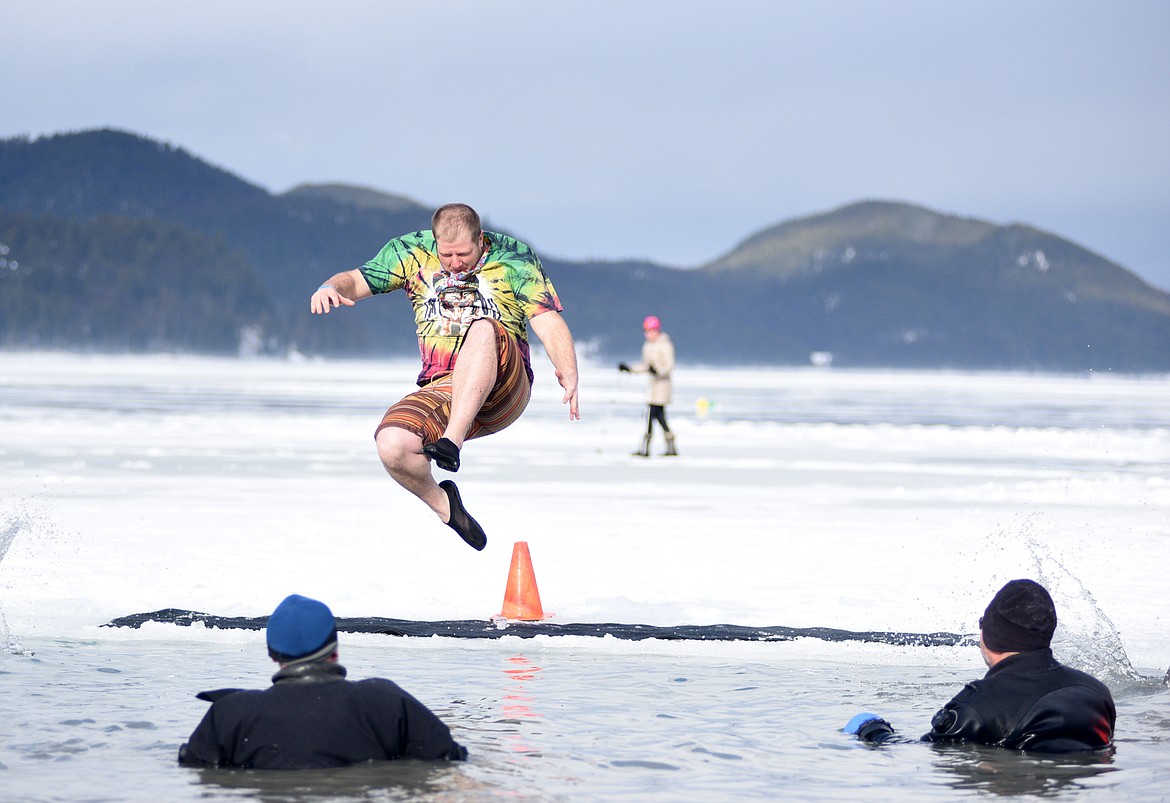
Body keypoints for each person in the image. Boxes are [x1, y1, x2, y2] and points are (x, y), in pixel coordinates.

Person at [310, 204, 580, 551]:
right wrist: (328, 286)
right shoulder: (410, 252)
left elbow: (547, 319)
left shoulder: (514, 258)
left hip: (504, 385)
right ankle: (446, 506)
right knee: (392, 445)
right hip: (444, 387)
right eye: (447, 254)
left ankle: (451, 442)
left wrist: (569, 371)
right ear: (434, 241)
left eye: (464, 254)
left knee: (482, 327)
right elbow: (356, 280)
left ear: (481, 240)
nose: (455, 263)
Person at [178, 594, 468, 769]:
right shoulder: (385, 701)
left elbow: (195, 770)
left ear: (272, 654)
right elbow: (449, 757)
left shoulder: (231, 714)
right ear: (336, 648)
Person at [845, 579, 1116, 753]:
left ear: (991, 635)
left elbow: (924, 756)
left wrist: (873, 731)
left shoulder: (975, 707)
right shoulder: (1095, 693)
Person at [618, 315, 676, 457]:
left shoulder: (665, 344)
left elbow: (669, 365)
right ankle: (661, 447)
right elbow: (646, 365)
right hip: (652, 387)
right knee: (656, 416)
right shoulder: (648, 345)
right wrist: (630, 369)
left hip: (662, 386)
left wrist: (658, 371)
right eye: (646, 330)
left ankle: (651, 447)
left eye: (650, 330)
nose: (648, 333)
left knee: (655, 415)